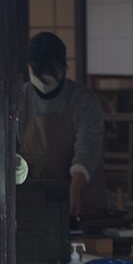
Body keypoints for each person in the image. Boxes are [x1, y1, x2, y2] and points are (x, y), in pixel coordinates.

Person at [19, 31, 107, 216]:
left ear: (63, 66)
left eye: (50, 72)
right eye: (39, 73)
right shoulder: (19, 98)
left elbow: (87, 148)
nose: (45, 80)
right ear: (29, 67)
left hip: (81, 199)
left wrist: (75, 189)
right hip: (34, 199)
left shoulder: (84, 101)